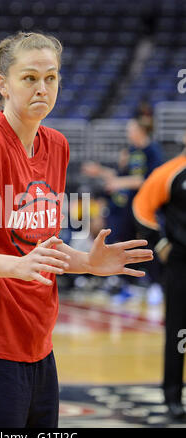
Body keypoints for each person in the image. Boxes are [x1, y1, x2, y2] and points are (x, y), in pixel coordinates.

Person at [0, 31, 153, 429]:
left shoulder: (58, 146)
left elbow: (38, 249)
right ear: (3, 84)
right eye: (29, 78)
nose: (42, 88)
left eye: (51, 78)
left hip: (37, 348)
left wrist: (87, 263)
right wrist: (12, 267)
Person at [82, 118, 164, 303]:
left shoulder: (152, 151)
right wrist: (100, 171)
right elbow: (119, 177)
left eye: (131, 129)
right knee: (122, 243)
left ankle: (156, 285)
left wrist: (120, 182)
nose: (128, 133)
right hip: (125, 208)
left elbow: (149, 179)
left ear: (141, 130)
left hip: (145, 208)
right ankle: (124, 284)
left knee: (147, 244)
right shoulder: (130, 152)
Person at [133, 137, 186, 421]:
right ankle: (173, 396)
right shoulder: (172, 171)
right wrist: (160, 243)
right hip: (181, 264)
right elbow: (142, 207)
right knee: (179, 331)